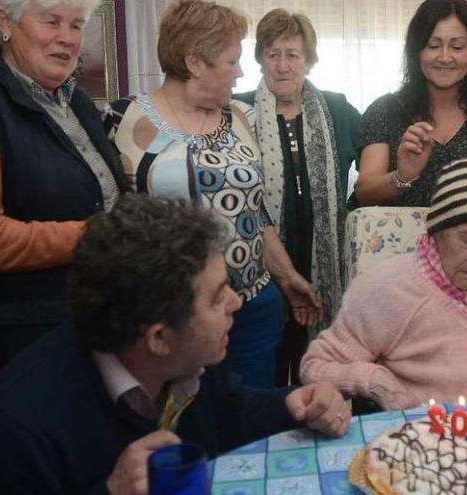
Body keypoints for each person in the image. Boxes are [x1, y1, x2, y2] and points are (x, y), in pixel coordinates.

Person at [0, 194, 350, 494]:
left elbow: (228, 411)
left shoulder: (188, 357)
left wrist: (290, 404)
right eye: (217, 297)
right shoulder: (10, 436)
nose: (237, 302)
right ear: (159, 338)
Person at [104, 0, 320, 389]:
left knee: (248, 431)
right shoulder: (123, 120)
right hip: (174, 319)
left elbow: (256, 212)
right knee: (183, 433)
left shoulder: (241, 116)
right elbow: (111, 227)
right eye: (231, 61)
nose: (241, 72)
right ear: (195, 63)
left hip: (252, 308)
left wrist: (287, 277)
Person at [0, 0, 128, 402]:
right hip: (20, 344)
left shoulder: (74, 101)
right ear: (6, 20)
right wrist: (91, 236)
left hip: (88, 323)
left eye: (76, 25)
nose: (67, 38)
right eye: (51, 21)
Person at [300, 157, 467, 410]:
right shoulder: (388, 287)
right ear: (437, 232)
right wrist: (376, 381)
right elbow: (315, 366)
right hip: (430, 437)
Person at [234, 9, 361, 386]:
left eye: (293, 54)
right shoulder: (237, 111)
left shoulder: (338, 109)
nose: (283, 65)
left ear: (308, 60)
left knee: (319, 378)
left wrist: (351, 212)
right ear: (259, 59)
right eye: (273, 54)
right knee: (263, 382)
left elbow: (373, 170)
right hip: (260, 278)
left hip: (325, 274)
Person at [353, 0, 467, 207]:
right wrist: (402, 176)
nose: (445, 57)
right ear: (416, 51)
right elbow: (364, 193)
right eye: (433, 46)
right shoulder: (385, 110)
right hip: (405, 239)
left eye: (457, 47)